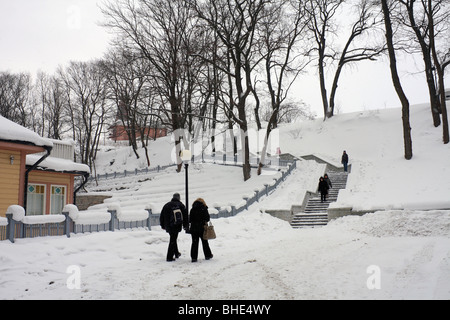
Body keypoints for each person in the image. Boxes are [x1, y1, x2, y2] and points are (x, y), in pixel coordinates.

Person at [160, 193, 188, 262]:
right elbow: (185, 216)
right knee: (173, 240)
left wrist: (163, 225)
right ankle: (169, 257)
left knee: (173, 238)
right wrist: (185, 225)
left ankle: (176, 253)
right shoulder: (181, 205)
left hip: (168, 226)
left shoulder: (167, 205)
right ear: (179, 198)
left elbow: (162, 216)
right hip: (176, 225)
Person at [189, 198, 213, 263]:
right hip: (202, 228)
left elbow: (190, 219)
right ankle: (207, 255)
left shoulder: (192, 209)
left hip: (193, 228)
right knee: (205, 242)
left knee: (194, 243)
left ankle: (194, 257)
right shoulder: (204, 208)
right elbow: (207, 218)